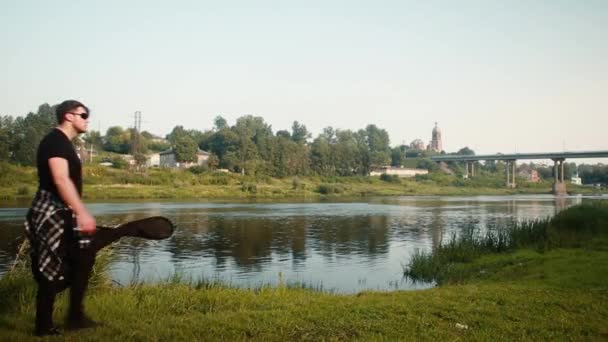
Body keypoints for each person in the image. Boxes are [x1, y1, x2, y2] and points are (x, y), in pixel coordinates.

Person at [24, 99, 97, 336]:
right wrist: (82, 211)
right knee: (50, 270)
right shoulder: (55, 142)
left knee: (83, 259)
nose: (87, 119)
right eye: (84, 115)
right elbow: (60, 179)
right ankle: (43, 326)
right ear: (69, 116)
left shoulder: (64, 143)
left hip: (63, 210)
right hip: (50, 211)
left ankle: (75, 315)